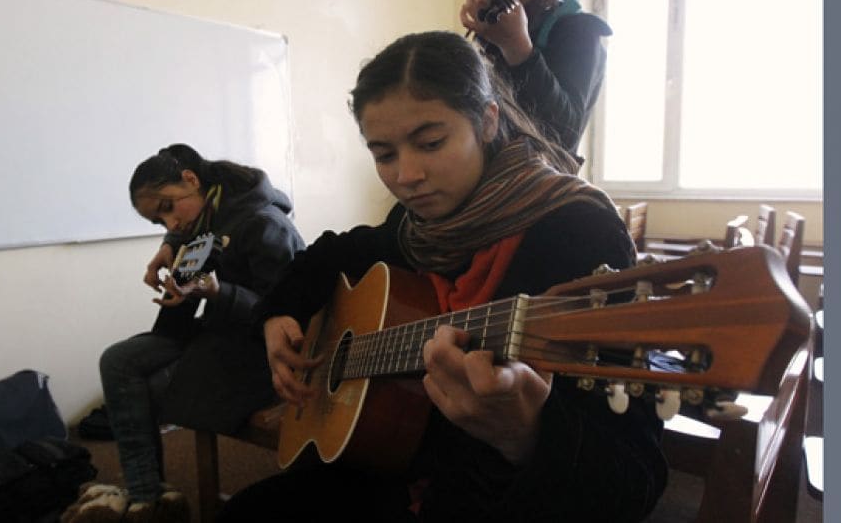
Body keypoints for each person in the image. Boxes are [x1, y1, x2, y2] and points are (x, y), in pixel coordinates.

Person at [220, 31, 667, 522]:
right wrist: (279, 311)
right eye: (384, 154)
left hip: (508, 498)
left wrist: (529, 433)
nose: (406, 175)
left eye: (430, 142)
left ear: (488, 121)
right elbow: (331, 251)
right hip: (396, 463)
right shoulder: (417, 227)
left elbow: (634, 478)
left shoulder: (578, 231)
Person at [62, 144, 304, 523]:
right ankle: (147, 495)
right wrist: (169, 251)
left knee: (146, 388)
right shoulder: (207, 209)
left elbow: (289, 313)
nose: (171, 224)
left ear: (191, 180)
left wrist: (216, 293)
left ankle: (147, 497)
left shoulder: (263, 223)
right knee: (116, 360)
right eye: (158, 222)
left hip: (260, 348)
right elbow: (194, 233)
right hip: (220, 331)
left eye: (168, 208)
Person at [460, 0, 612, 164]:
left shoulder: (581, 30)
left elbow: (563, 135)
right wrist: (485, 41)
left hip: (543, 181)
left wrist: (517, 48)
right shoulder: (496, 32)